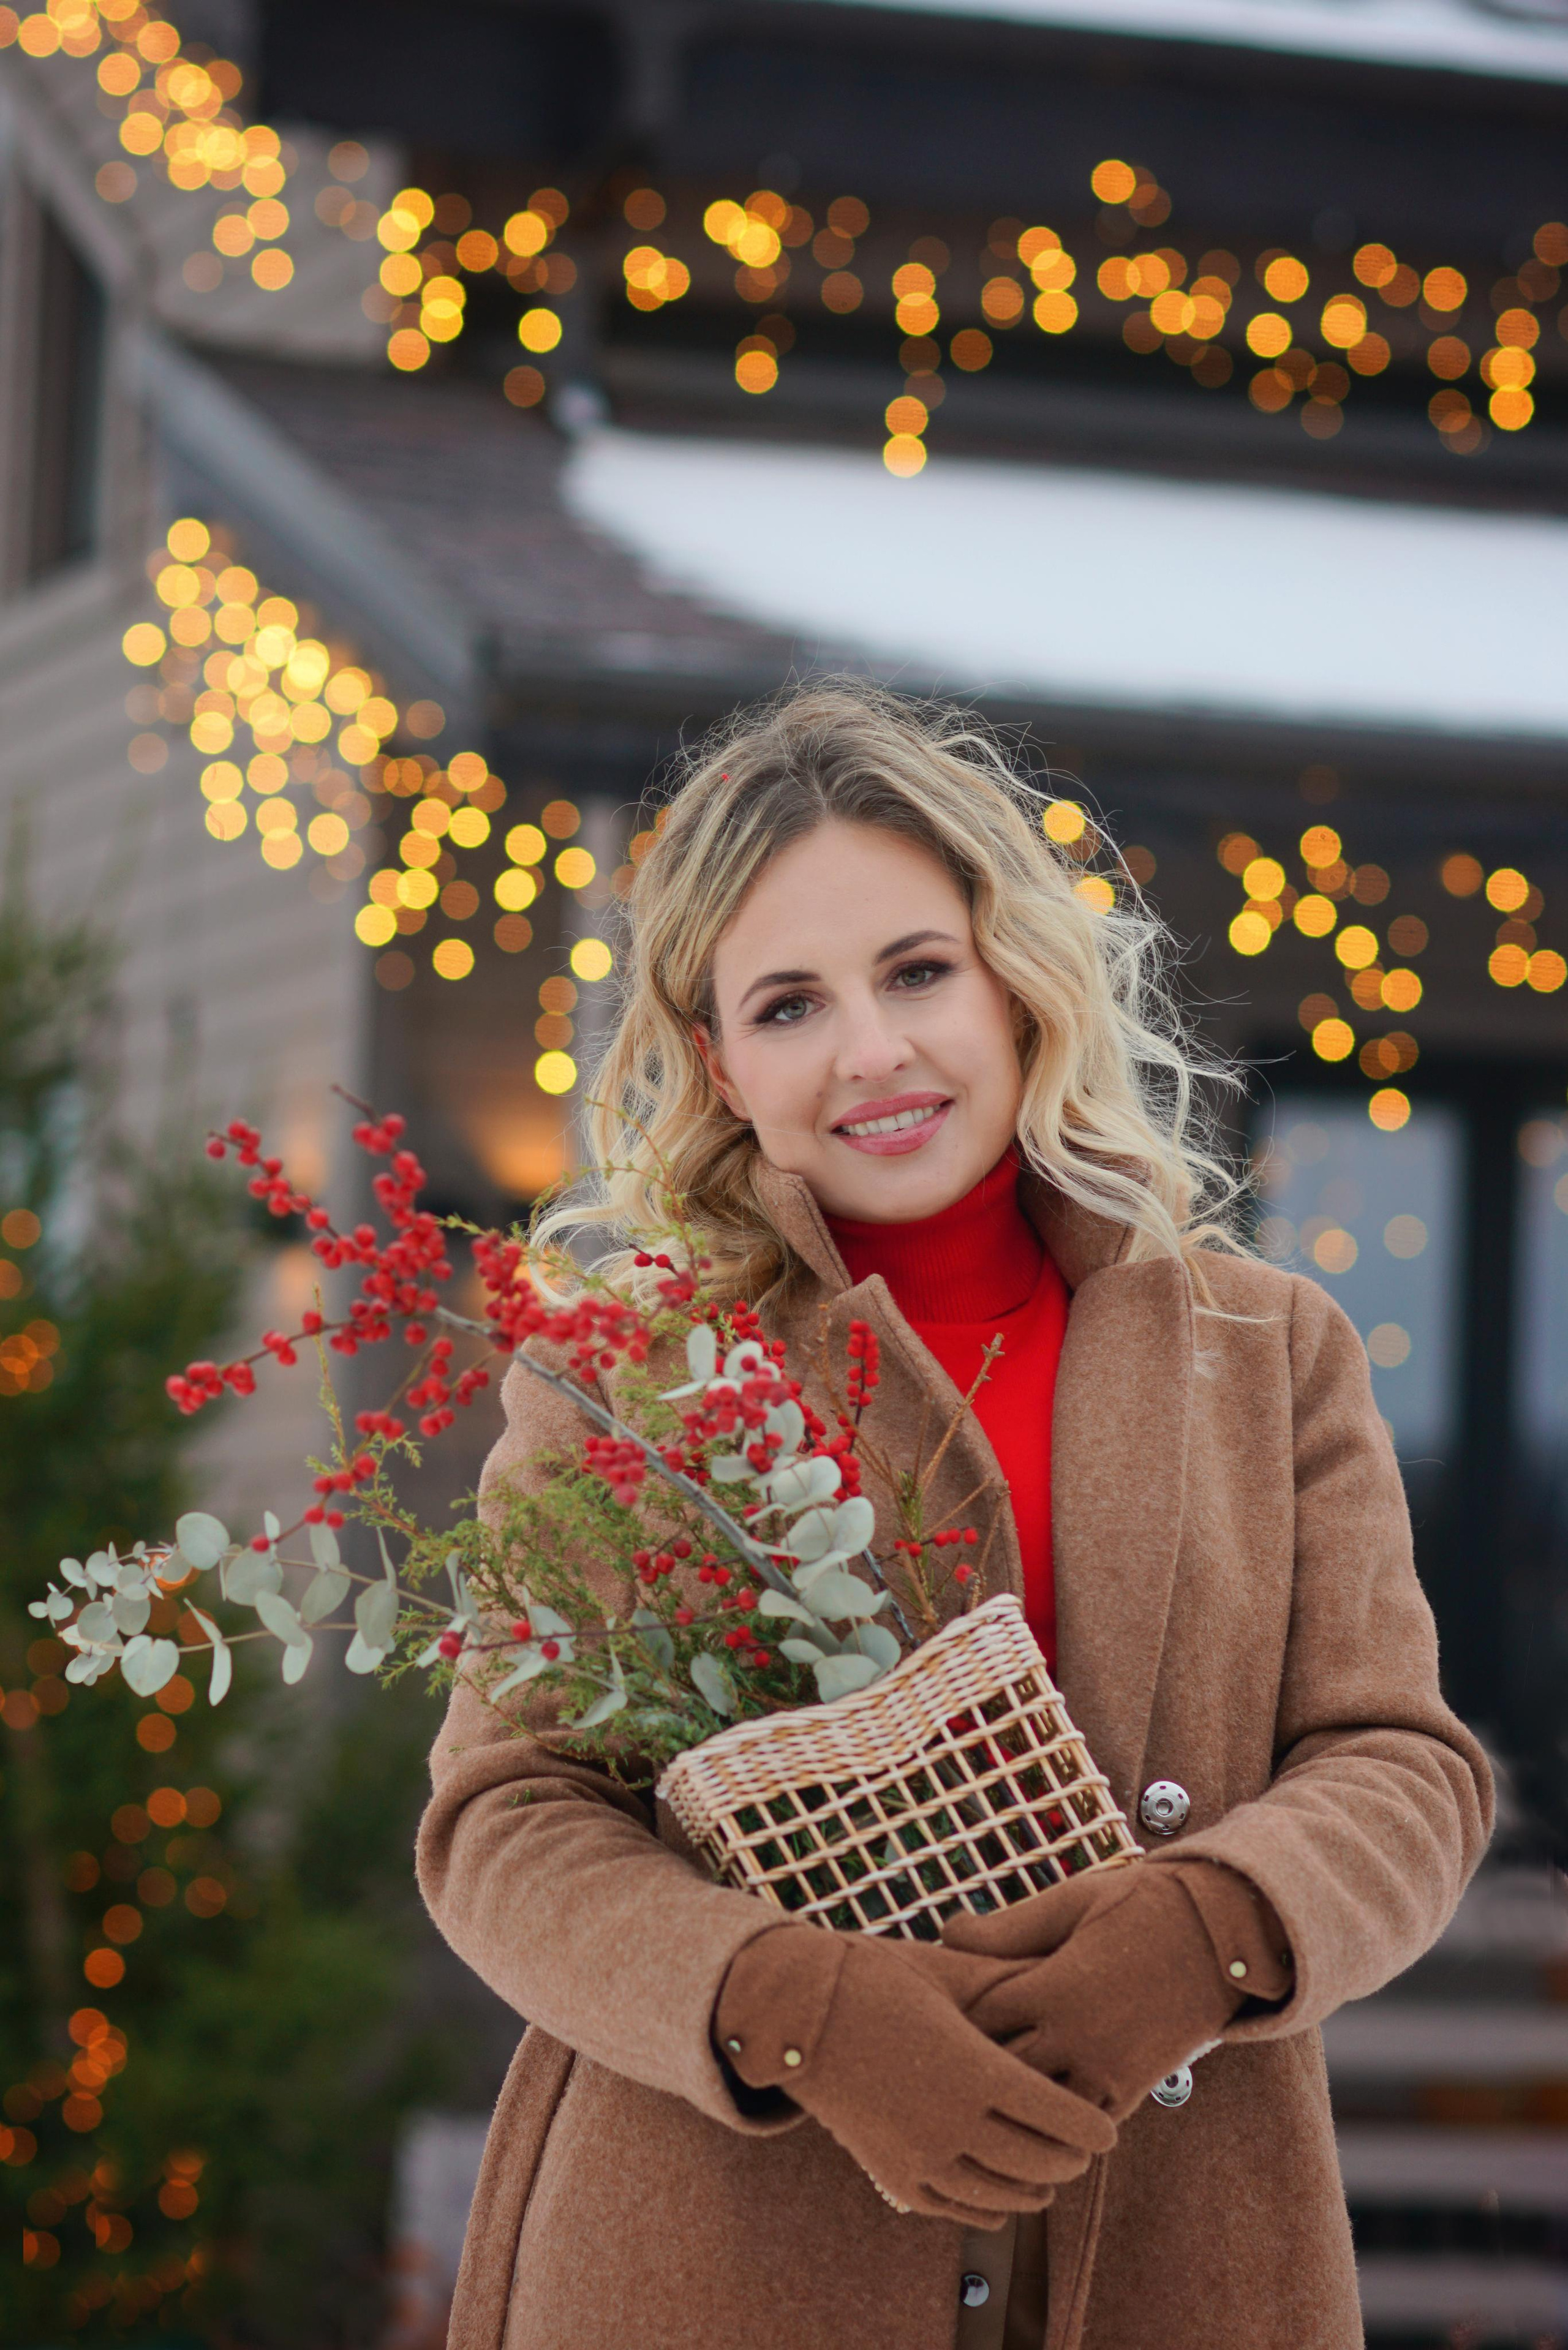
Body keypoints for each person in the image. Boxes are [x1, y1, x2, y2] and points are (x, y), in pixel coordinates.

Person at [417, 682, 1492, 2350]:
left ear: (1014, 977)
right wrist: (799, 2013)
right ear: (717, 1061)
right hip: (713, 2266)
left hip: (1185, 2255)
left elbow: (1404, 1768)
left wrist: (1204, 1939)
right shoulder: (626, 1382)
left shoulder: (1267, 1352)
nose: (874, 1052)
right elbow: (505, 1822)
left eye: (917, 971)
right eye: (789, 1005)